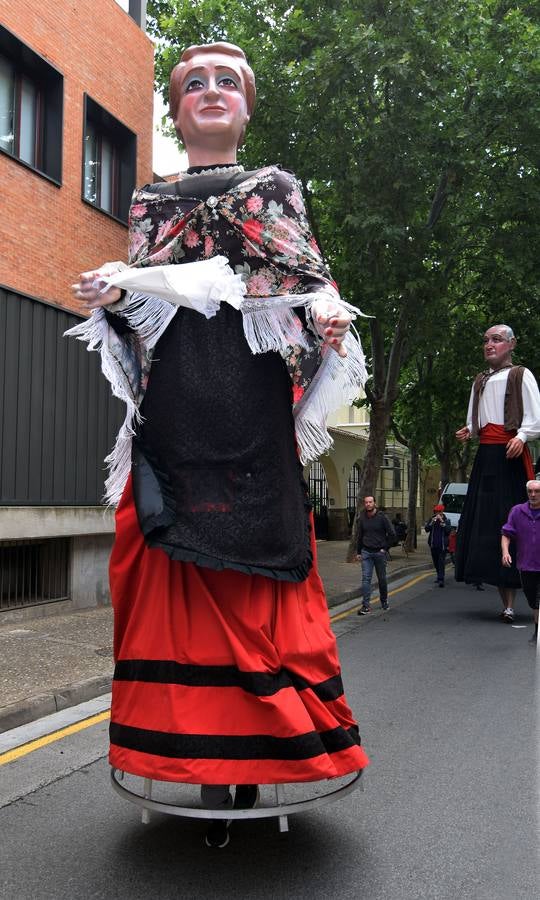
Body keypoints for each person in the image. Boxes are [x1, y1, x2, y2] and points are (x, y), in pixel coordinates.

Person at [69, 42, 369, 848]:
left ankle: (246, 769)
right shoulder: (147, 204)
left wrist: (327, 317)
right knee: (176, 582)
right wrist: (111, 297)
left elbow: (307, 286)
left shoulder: (276, 190)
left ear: (246, 106)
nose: (209, 91)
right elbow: (140, 324)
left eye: (225, 82)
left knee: (255, 591)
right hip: (174, 420)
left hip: (252, 414)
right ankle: (192, 764)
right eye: (193, 82)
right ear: (175, 108)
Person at [455, 324, 540, 622]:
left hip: (510, 455)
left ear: (511, 344)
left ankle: (528, 596)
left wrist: (522, 436)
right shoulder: (479, 381)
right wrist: (470, 429)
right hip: (487, 457)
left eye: (496, 339)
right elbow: (476, 420)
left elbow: (535, 418)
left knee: (514, 521)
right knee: (489, 525)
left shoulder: (521, 375)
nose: (489, 344)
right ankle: (506, 604)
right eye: (486, 340)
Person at [501, 481, 540, 644]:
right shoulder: (517, 511)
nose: (533, 495)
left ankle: (537, 632)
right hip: (526, 565)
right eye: (530, 491)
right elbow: (506, 533)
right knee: (533, 599)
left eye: (537, 491)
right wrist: (505, 552)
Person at [356, 496, 395, 614]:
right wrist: (358, 552)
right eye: (366, 502)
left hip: (379, 553)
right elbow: (360, 536)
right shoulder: (362, 518)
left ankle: (384, 600)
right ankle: (366, 606)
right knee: (366, 579)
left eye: (370, 502)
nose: (368, 504)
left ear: (374, 503)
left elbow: (392, 535)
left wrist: (385, 549)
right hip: (366, 552)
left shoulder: (382, 517)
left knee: (382, 579)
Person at [425, 504, 451, 587]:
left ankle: (441, 579)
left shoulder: (446, 520)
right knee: (436, 562)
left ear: (442, 511)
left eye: (439, 512)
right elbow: (426, 529)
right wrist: (433, 521)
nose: (437, 514)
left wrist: (442, 522)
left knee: (441, 562)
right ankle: (438, 575)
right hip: (433, 544)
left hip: (442, 545)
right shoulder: (432, 519)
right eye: (436, 512)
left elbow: (448, 531)